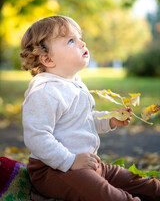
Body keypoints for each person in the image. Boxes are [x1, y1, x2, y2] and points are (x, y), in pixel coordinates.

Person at [20, 15, 160, 201]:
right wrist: (71, 161)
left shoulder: (73, 83)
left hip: (87, 166)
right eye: (71, 41)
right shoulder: (45, 91)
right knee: (109, 195)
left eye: (79, 37)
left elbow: (84, 118)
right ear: (47, 59)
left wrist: (109, 120)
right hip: (53, 170)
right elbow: (36, 136)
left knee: (134, 180)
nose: (81, 43)